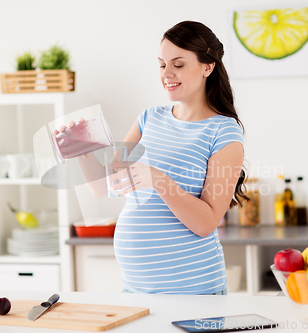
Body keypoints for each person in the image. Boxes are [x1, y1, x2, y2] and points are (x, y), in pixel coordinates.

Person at [56, 21, 247, 294]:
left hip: (194, 291)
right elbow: (103, 186)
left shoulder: (223, 131)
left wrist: (158, 179)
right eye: (162, 64)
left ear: (208, 67)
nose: (167, 73)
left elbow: (206, 223)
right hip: (135, 289)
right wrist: (81, 150)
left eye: (178, 64)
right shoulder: (149, 118)